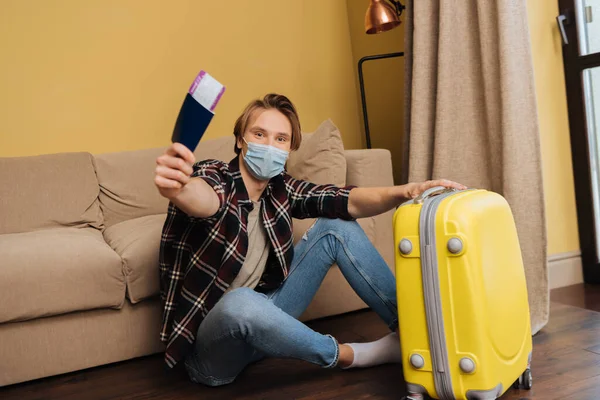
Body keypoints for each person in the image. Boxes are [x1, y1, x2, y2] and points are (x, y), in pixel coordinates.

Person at [154, 93, 466, 386]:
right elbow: (206, 198)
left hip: (267, 323)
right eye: (259, 134)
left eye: (281, 139)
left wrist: (406, 192)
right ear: (240, 140)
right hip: (212, 354)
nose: (269, 145)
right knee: (240, 302)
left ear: (289, 149)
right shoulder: (215, 175)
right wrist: (179, 189)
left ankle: (418, 335)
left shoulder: (281, 190)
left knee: (336, 225)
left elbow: (346, 200)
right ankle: (350, 356)